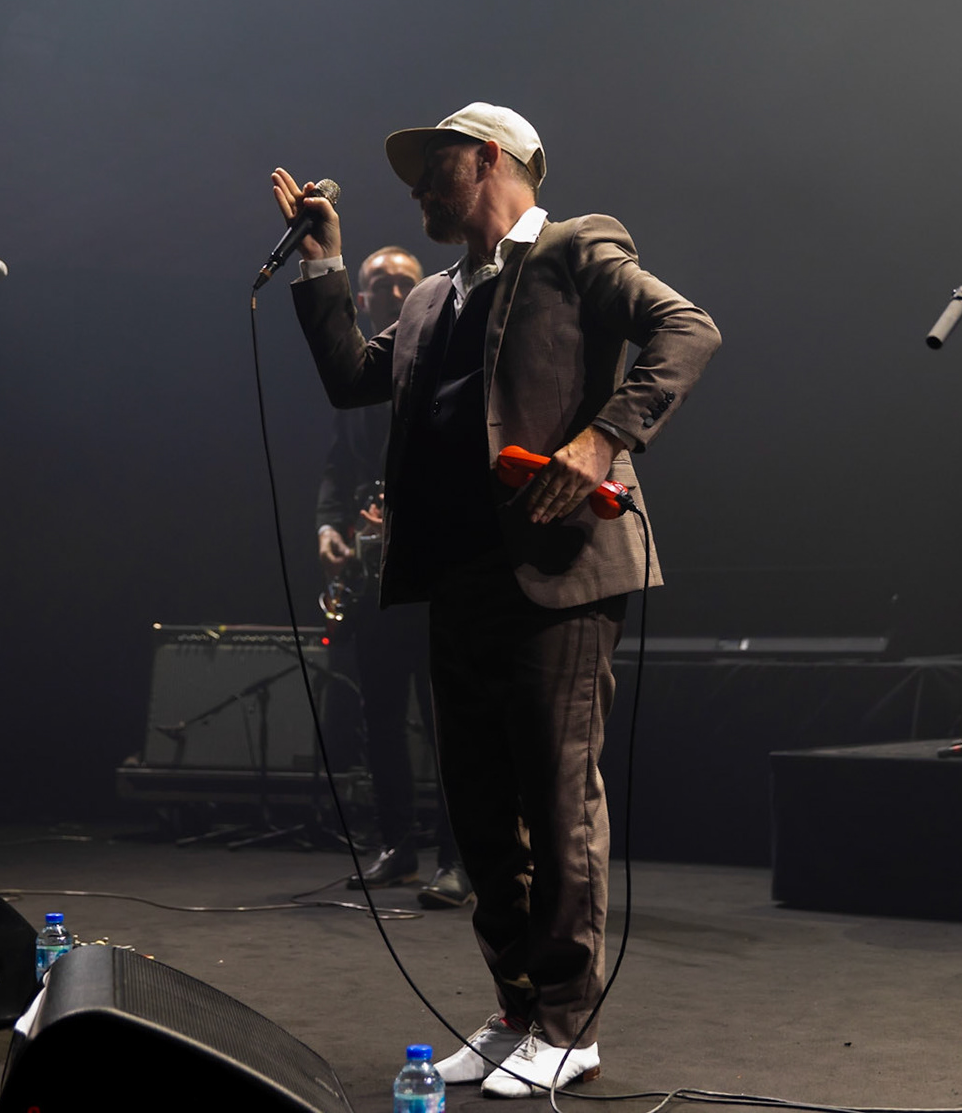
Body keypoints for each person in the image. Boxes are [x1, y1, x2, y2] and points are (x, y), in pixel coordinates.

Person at [273, 102, 719, 1097]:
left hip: (557, 569)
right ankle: (519, 1003)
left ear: (488, 160)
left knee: (558, 798)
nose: (419, 190)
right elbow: (354, 378)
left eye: (433, 169)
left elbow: (686, 328)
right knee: (478, 811)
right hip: (458, 577)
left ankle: (570, 1019)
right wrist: (321, 266)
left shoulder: (574, 248)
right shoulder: (431, 299)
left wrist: (603, 438)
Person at [316, 246, 470, 909]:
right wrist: (329, 525)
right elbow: (337, 470)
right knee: (379, 718)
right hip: (379, 579)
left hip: (439, 580)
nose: (394, 290)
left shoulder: (448, 360)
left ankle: (458, 860)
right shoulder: (361, 380)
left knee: (448, 726)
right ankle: (397, 849)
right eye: (381, 283)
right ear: (362, 293)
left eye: (406, 282)